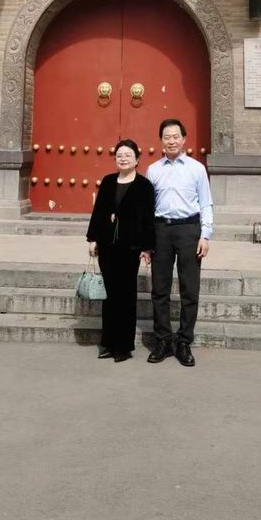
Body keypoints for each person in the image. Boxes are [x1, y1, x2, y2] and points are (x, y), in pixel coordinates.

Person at [145, 119, 213, 367]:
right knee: (159, 289)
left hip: (189, 230)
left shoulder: (196, 168)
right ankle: (163, 340)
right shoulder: (153, 170)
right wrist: (146, 241)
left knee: (189, 288)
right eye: (167, 137)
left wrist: (205, 235)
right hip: (160, 230)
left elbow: (206, 202)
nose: (171, 141)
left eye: (176, 136)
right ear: (161, 141)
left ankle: (184, 341)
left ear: (184, 139)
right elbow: (148, 207)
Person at [86, 139, 155, 363]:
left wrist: (147, 247)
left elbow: (148, 218)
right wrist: (93, 239)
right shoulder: (108, 181)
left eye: (128, 155)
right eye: (119, 155)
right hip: (107, 247)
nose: (123, 158)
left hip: (129, 248)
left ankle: (124, 346)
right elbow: (98, 212)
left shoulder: (144, 186)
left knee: (126, 296)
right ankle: (108, 343)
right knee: (109, 296)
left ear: (137, 159)